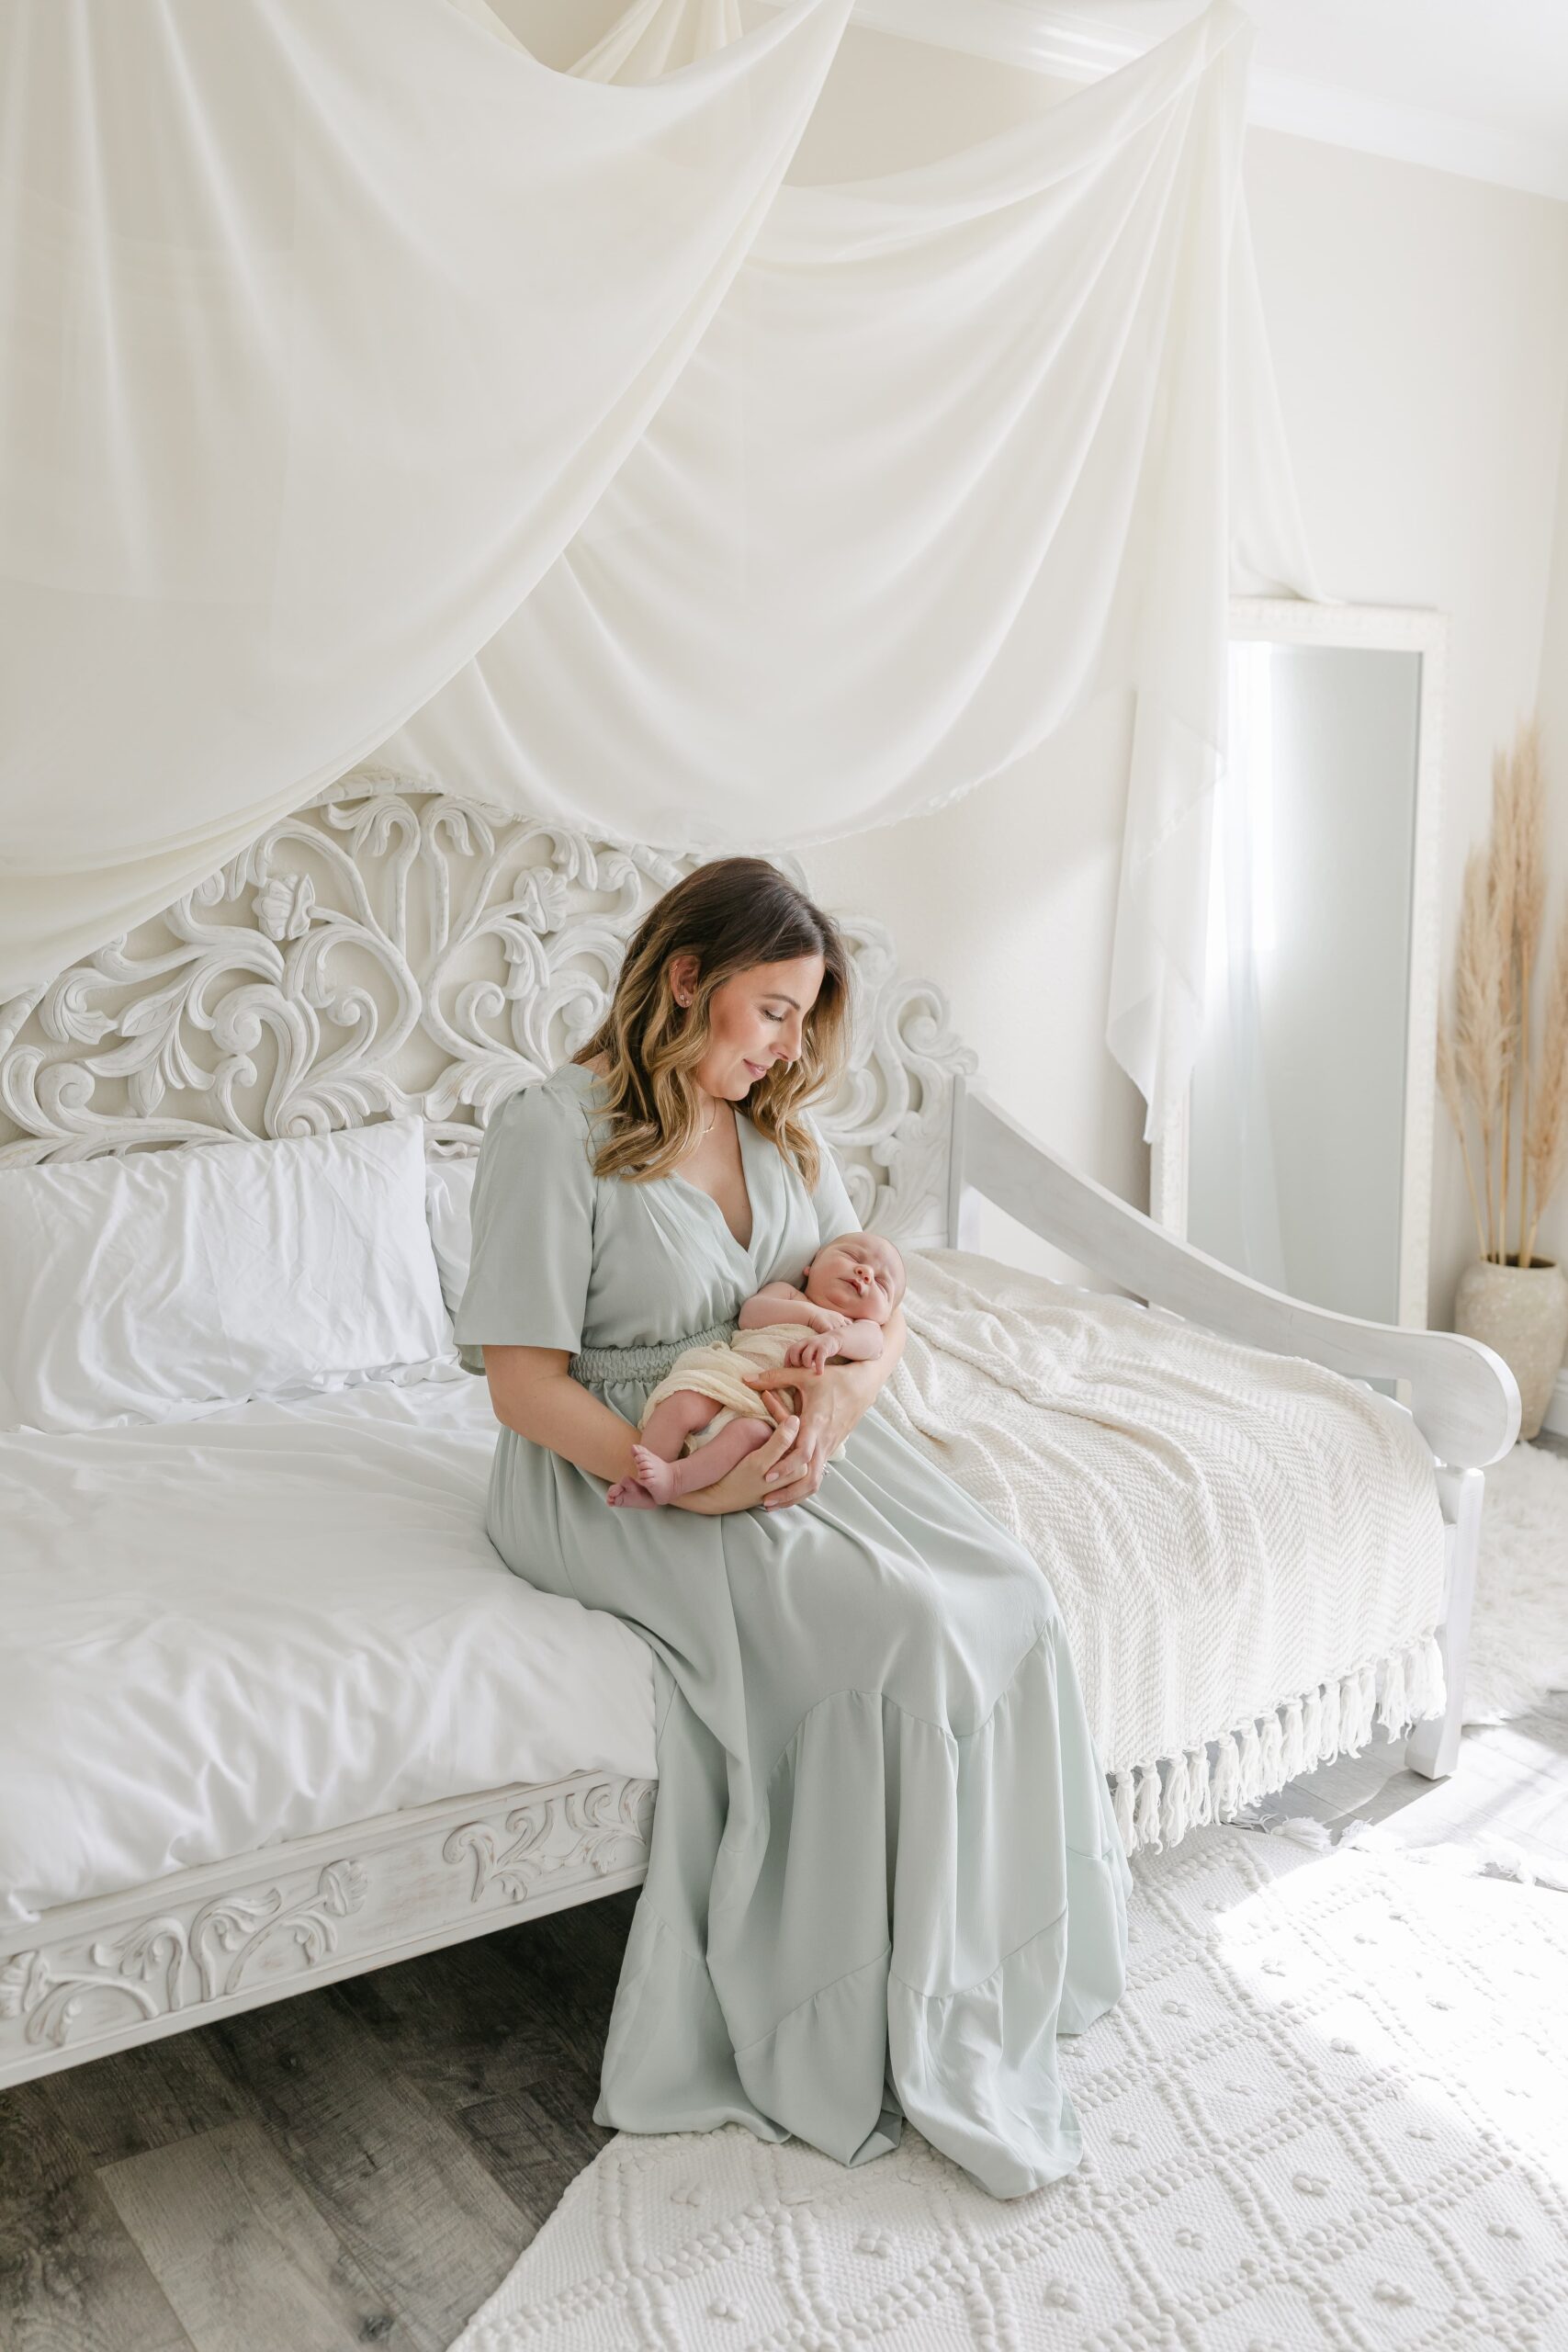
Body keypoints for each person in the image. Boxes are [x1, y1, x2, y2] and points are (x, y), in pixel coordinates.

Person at [455, 854, 1132, 2199]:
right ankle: (840, 2011)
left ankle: (973, 1962)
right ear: (685, 977)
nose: (781, 1050)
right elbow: (521, 1380)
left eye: (801, 1021)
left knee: (999, 1586)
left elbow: (877, 1319)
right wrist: (664, 1473)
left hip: (779, 1423)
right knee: (891, 1632)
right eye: (770, 1011)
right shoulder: (550, 1130)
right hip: (612, 1462)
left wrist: (835, 1407)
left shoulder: (775, 1136)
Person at [604, 1228, 907, 1508]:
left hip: (772, 1413)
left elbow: (873, 1345)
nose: (865, 1273)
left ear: (885, 1315)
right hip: (734, 1376)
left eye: (881, 1283)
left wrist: (835, 1341)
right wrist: (811, 1317)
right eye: (853, 1257)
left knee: (748, 1434)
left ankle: (676, 1479)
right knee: (680, 1402)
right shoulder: (789, 1294)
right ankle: (646, 1480)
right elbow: (751, 1315)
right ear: (811, 1265)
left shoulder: (862, 1327)